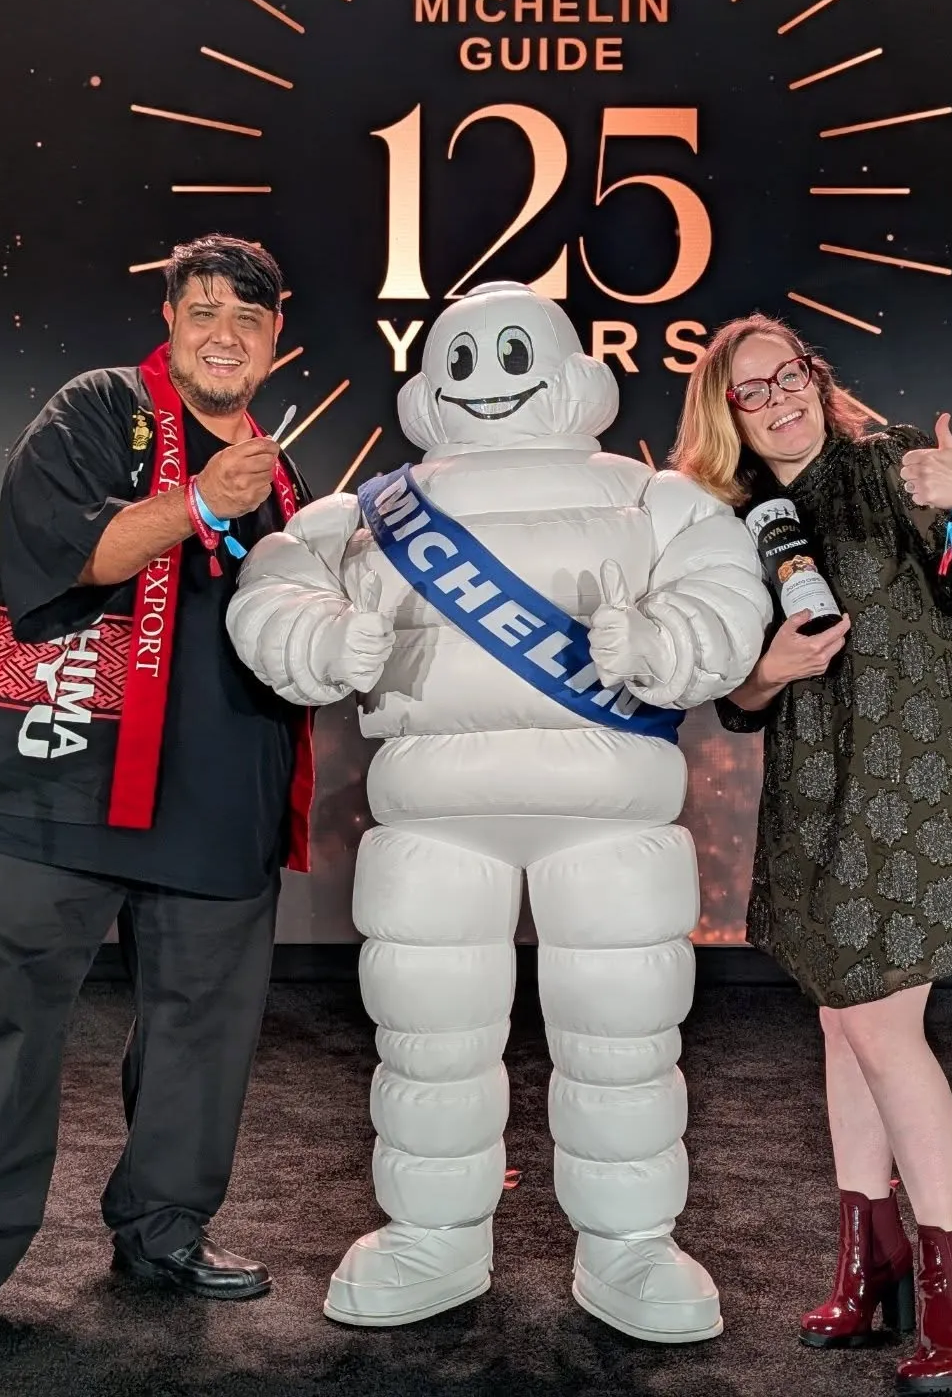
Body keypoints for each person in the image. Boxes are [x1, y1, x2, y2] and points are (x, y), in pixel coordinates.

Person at [227, 282, 771, 1342]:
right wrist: (324, 642)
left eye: (511, 353)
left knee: (624, 1039)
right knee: (429, 1039)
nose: (489, 377)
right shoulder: (372, 510)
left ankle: (630, 1249)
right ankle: (433, 1237)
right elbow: (273, 587)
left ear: (574, 369)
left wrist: (660, 646)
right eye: (463, 359)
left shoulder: (657, 499)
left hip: (608, 815)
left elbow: (726, 597)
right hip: (435, 816)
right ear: (431, 382)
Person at [0, 234, 314, 1360]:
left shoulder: (285, 476)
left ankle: (165, 1233)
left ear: (277, 337)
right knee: (8, 1027)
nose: (225, 331)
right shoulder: (96, 411)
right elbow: (67, 551)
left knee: (201, 1034)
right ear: (171, 320)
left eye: (249, 315)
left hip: (219, 796)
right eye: (204, 309)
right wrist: (193, 500)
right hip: (52, 779)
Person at [672, 314, 952, 1393]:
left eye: (791, 373)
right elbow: (738, 697)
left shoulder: (891, 468)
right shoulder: (737, 521)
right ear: (726, 414)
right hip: (818, 791)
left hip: (915, 786)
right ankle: (870, 1261)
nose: (780, 395)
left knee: (880, 1026)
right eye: (753, 388)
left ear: (815, 379)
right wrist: (773, 664)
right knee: (840, 1019)